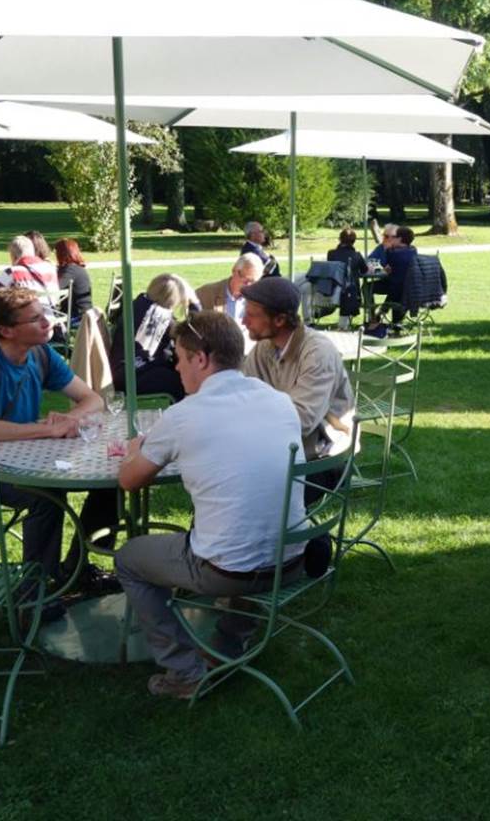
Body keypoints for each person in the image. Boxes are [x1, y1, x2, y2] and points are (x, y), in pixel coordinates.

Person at [115, 311, 307, 699]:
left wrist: (134, 450)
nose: (177, 368)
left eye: (180, 359)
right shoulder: (279, 401)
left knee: (129, 559)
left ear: (201, 359)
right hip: (292, 558)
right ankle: (228, 644)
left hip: (231, 570)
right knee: (242, 529)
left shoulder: (185, 414)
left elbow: (129, 481)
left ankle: (183, 672)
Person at [0, 287, 110, 598]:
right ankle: (33, 595)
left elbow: (92, 399)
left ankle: (76, 568)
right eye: (36, 319)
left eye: (45, 314)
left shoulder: (41, 354)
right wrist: (44, 430)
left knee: (113, 481)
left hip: (33, 457)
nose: (47, 323)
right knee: (46, 497)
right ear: (6, 330)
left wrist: (70, 420)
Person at [240, 277, 355, 470]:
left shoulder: (318, 353)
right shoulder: (264, 347)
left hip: (324, 457)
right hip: (280, 448)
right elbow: (241, 394)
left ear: (279, 320)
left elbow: (301, 421)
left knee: (238, 483)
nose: (244, 320)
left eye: (252, 314)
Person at [110, 273, 194, 403]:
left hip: (125, 370)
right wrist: (195, 305)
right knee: (185, 380)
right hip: (131, 376)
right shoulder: (156, 315)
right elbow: (187, 333)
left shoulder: (140, 304)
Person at [0, 235, 57, 307]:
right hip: (52, 318)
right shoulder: (51, 268)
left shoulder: (12, 272)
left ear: (13, 256)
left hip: (26, 318)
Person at [194, 253, 265, 328]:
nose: (249, 285)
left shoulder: (259, 300)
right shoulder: (206, 294)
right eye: (246, 280)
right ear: (234, 271)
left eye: (253, 282)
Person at [326, 227, 369, 324]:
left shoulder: (331, 254)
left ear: (340, 239)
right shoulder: (356, 256)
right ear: (354, 241)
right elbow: (364, 270)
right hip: (351, 293)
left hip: (332, 290)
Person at [54, 238, 93, 328]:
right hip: (84, 313)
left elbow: (55, 289)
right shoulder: (77, 268)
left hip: (77, 317)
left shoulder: (70, 270)